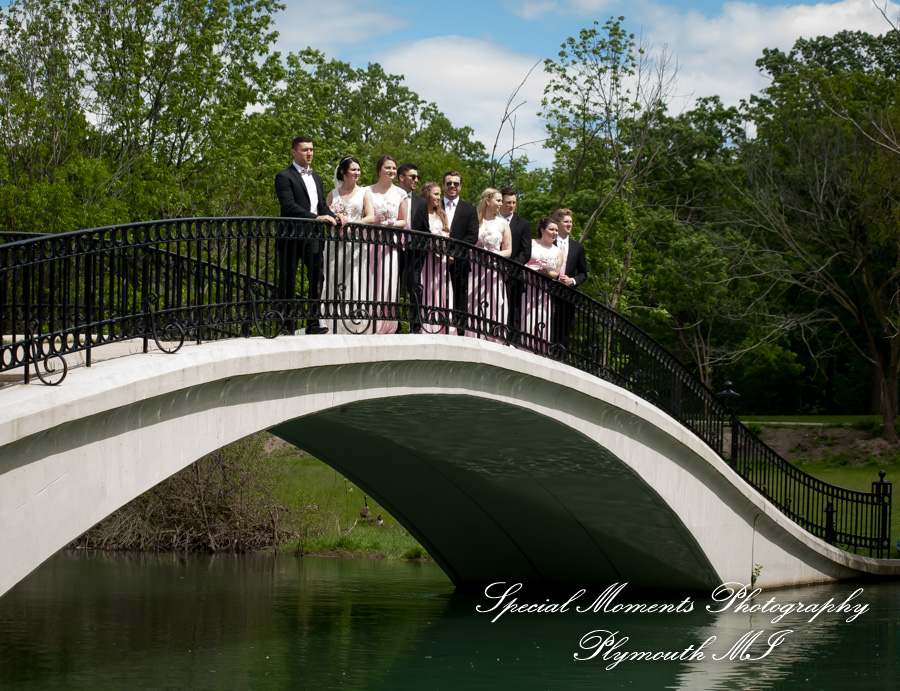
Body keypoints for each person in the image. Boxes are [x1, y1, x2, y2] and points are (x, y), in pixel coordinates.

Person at [274, 136, 340, 335]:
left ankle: (313, 323)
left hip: (313, 236)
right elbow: (289, 206)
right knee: (288, 279)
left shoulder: (317, 178)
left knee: (316, 278)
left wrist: (334, 217)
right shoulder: (284, 176)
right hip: (291, 235)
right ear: (294, 152)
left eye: (311, 149)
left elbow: (321, 204)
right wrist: (316, 217)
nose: (309, 153)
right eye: (304, 150)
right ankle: (285, 324)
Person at [324, 156, 374, 334]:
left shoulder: (364, 193)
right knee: (332, 277)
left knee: (352, 278)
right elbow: (324, 214)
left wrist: (353, 226)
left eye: (358, 170)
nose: (357, 173)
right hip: (334, 243)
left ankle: (354, 322)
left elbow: (371, 217)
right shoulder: (333, 194)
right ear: (343, 171)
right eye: (353, 170)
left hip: (354, 243)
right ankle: (330, 322)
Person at [367, 155, 407, 334]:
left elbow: (403, 221)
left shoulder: (400, 193)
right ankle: (366, 319)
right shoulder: (367, 191)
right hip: (370, 241)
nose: (391, 171)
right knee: (368, 279)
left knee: (387, 279)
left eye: (393, 167)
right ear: (379, 170)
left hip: (390, 243)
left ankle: (386, 323)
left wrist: (390, 224)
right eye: (387, 167)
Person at [468, 188, 512, 343]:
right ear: (487, 200)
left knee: (494, 301)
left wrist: (494, 255)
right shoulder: (475, 221)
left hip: (494, 270)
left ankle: (495, 337)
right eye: (498, 200)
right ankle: (475, 335)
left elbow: (508, 250)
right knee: (474, 301)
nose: (501, 204)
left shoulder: (503, 224)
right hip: (476, 268)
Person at [442, 171, 479, 334]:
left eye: (455, 184)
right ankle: (438, 327)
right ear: (443, 185)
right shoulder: (434, 205)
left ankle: (460, 332)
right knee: (437, 294)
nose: (452, 186)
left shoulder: (469, 210)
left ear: (460, 187)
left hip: (460, 261)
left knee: (460, 298)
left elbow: (472, 237)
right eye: (449, 183)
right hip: (435, 260)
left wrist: (453, 254)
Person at [418, 181, 456, 335]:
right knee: (427, 288)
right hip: (426, 258)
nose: (439, 198)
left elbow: (447, 235)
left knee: (441, 289)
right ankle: (427, 325)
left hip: (441, 260)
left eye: (439, 194)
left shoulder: (441, 214)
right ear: (427, 194)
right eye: (436, 194)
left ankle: (442, 325)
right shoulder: (420, 213)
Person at [521, 217, 563, 352]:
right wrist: (533, 269)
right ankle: (524, 347)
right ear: (542, 230)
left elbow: (556, 274)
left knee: (542, 317)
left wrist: (545, 271)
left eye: (556, 230)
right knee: (526, 317)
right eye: (551, 229)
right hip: (527, 285)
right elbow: (523, 262)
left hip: (544, 290)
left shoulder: (558, 252)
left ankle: (540, 350)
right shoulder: (532, 244)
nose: (555, 233)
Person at [397, 163, 429, 332]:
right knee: (391, 286)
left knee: (415, 287)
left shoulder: (421, 202)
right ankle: (393, 324)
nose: (416, 180)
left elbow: (425, 229)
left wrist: (422, 251)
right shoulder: (391, 196)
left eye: (417, 177)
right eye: (413, 177)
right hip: (392, 248)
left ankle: (415, 326)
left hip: (414, 251)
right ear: (401, 177)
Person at [551, 208, 588, 351]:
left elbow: (583, 273)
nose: (569, 224)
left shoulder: (578, 247)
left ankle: (561, 357)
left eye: (570, 222)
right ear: (557, 223)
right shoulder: (548, 243)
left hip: (568, 295)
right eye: (566, 221)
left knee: (565, 329)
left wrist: (572, 281)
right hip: (547, 291)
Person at [499, 187, 532, 341]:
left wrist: (509, 268)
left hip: (514, 275)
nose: (511, 206)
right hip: (491, 271)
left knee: (513, 310)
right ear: (501, 202)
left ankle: (513, 341)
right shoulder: (491, 220)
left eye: (514, 203)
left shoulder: (523, 224)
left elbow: (525, 252)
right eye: (508, 202)